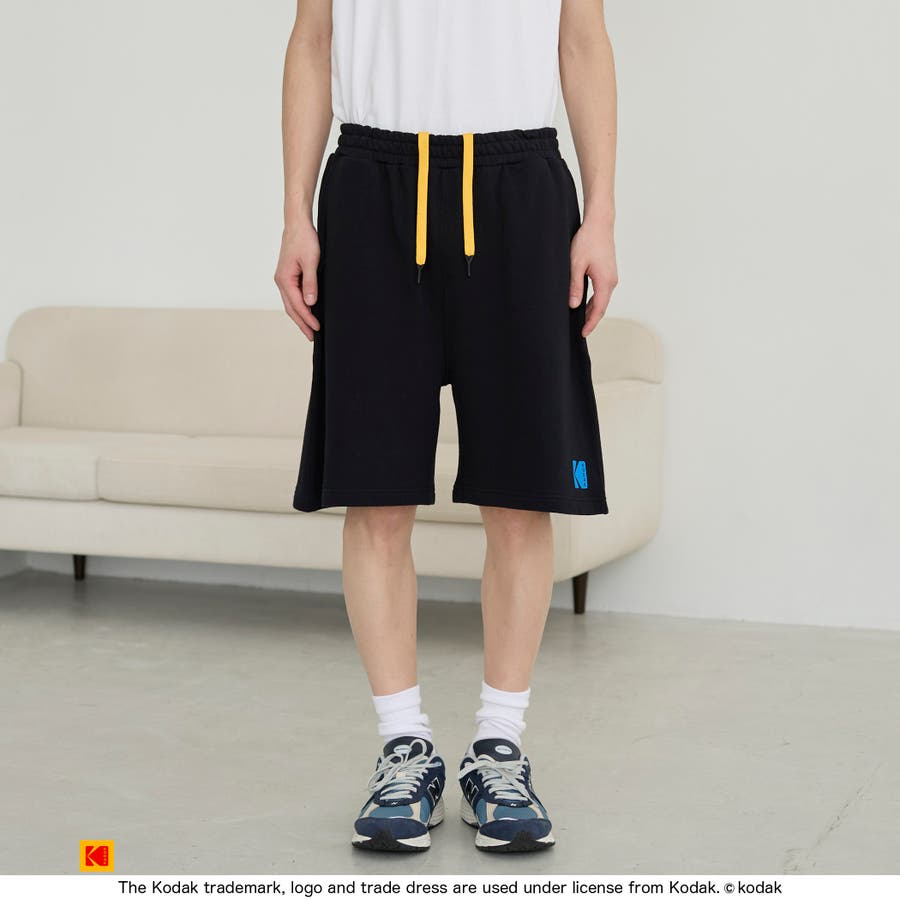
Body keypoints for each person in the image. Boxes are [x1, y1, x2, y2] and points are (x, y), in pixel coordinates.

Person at [274, 0, 618, 854]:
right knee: (375, 494)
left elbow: (582, 41)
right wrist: (295, 213)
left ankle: (500, 747)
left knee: (521, 496)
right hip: (371, 186)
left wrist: (601, 216)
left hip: (521, 186)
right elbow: (312, 41)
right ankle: (404, 747)